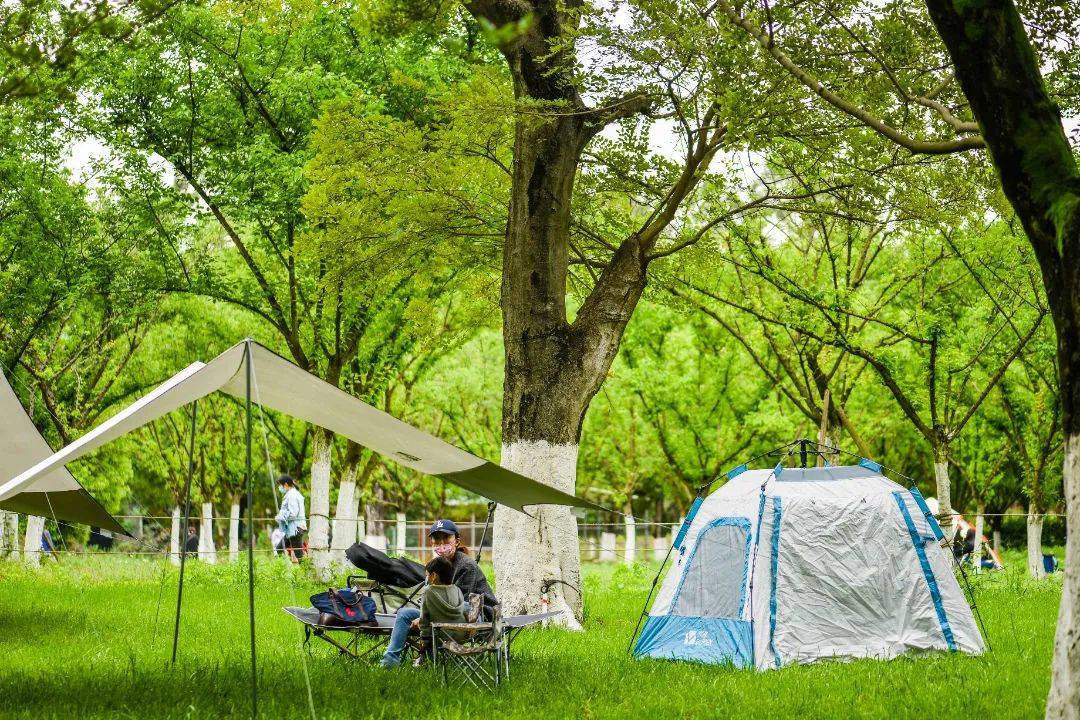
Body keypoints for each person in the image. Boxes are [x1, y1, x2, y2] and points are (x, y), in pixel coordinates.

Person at [379, 518, 497, 669]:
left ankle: (426, 657)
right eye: (437, 539)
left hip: (476, 616)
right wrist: (422, 616)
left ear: (456, 541)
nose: (441, 544)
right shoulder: (436, 566)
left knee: (455, 609)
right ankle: (389, 662)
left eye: (446, 538)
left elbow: (461, 605)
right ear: (432, 543)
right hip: (446, 613)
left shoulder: (466, 566)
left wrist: (423, 619)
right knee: (403, 613)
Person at [417, 556, 467, 657]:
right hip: (461, 635)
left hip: (441, 637)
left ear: (434, 575)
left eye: (427, 575)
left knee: (424, 629)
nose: (427, 578)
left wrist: (424, 640)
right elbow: (463, 611)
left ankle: (426, 658)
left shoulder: (428, 591)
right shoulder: (457, 589)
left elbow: (424, 620)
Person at [275, 475, 307, 561]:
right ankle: (283, 569)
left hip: (296, 528)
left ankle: (306, 572)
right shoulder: (292, 494)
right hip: (293, 529)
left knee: (299, 555)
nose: (279, 487)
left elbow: (293, 514)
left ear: (285, 484)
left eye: (280, 485)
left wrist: (281, 517)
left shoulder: (292, 495)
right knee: (279, 549)